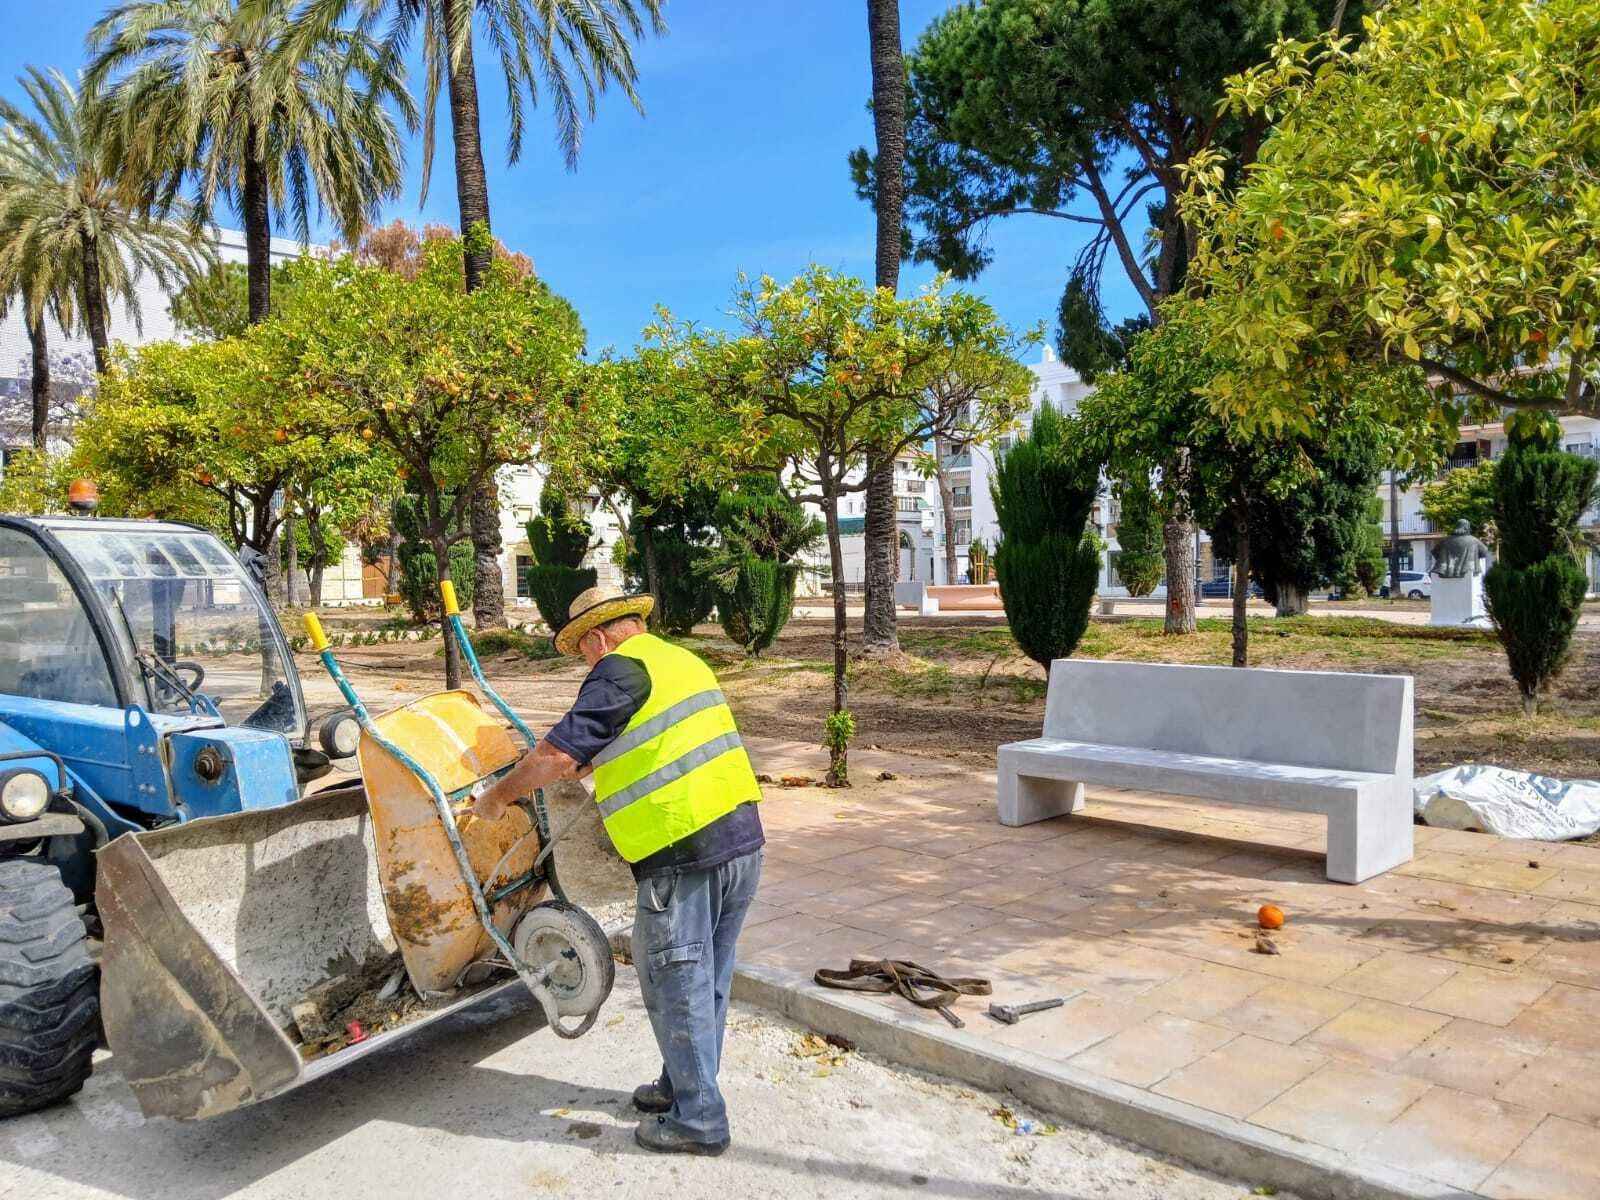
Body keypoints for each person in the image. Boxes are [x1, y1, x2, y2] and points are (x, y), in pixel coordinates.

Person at [473, 585, 764, 1157]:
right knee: (707, 979)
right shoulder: (680, 660)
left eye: (583, 652)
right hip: (741, 842)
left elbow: (558, 755)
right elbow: (640, 739)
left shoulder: (618, 670)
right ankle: (681, 1085)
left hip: (682, 853)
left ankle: (699, 1119)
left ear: (598, 637)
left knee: (673, 983)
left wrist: (498, 797)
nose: (586, 663)